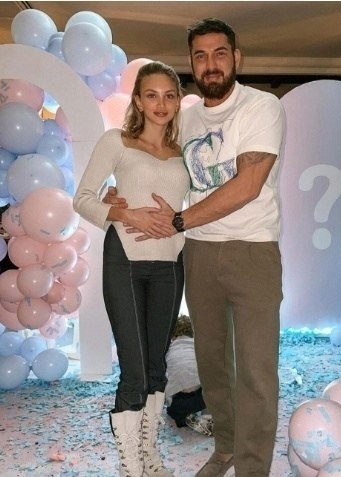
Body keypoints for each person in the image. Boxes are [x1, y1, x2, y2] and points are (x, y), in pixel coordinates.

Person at [105, 17, 285, 477]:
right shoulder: (184, 118)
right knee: (212, 365)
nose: (210, 64)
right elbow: (153, 163)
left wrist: (180, 220)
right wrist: (119, 197)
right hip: (198, 253)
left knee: (256, 371)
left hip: (252, 250)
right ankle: (225, 448)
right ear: (192, 62)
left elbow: (248, 184)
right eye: (200, 56)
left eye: (219, 53)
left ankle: (251, 468)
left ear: (236, 57)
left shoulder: (261, 106)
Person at [73, 61, 190, 477]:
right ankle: (131, 467)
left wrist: (180, 219)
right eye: (151, 95)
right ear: (138, 100)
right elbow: (82, 198)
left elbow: (197, 204)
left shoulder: (186, 151)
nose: (161, 104)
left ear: (178, 101)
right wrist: (126, 214)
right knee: (135, 371)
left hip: (171, 264)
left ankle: (149, 455)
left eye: (169, 95)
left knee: (157, 366)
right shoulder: (116, 142)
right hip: (123, 261)